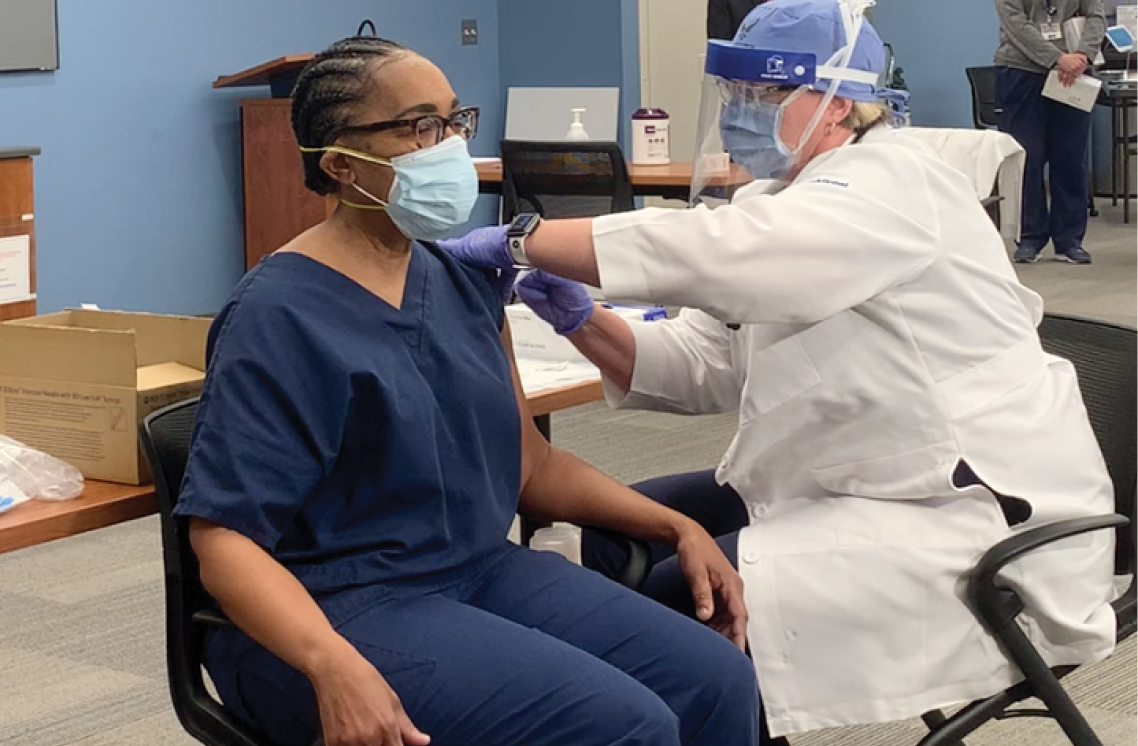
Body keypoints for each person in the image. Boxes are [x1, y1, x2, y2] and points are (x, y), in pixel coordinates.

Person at [439, 0, 1118, 739]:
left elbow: (728, 253)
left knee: (677, 615)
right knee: (602, 531)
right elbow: (704, 365)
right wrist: (583, 320)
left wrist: (525, 241)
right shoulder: (779, 198)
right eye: (733, 94)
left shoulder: (894, 181)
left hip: (966, 514)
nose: (740, 112)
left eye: (762, 94)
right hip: (847, 477)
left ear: (840, 103)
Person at [173, 35, 762, 746]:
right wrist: (330, 664)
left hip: (477, 571)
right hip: (331, 609)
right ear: (338, 164)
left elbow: (532, 468)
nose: (449, 145)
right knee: (621, 727)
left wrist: (676, 526)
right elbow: (223, 541)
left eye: (455, 121)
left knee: (716, 679)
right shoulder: (277, 316)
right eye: (419, 126)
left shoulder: (458, 283)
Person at [994, 0, 1105, 264]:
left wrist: (1083, 56)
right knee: (1026, 159)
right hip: (1021, 71)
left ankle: (1069, 241)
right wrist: (1057, 58)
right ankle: (1030, 238)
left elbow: (1097, 17)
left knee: (1071, 157)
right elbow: (1016, 24)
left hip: (1074, 72)